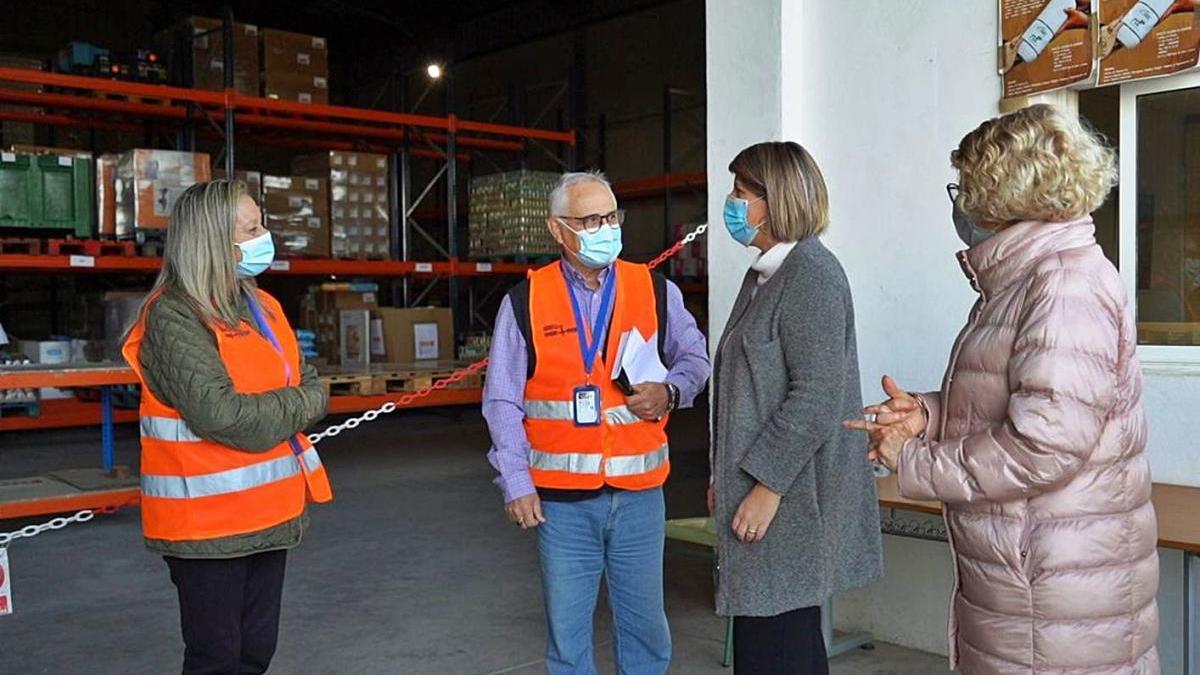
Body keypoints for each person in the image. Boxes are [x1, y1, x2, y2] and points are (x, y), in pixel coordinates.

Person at [846, 104, 1159, 674]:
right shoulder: (1026, 279)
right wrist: (928, 415)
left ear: (1001, 191)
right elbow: (1018, 404)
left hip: (1053, 594)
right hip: (1037, 582)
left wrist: (914, 460)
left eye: (963, 185)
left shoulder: (1064, 285)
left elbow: (1046, 446)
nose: (958, 201)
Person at [483, 170, 710, 674]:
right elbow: (502, 401)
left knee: (646, 629)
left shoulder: (652, 289)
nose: (604, 228)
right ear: (557, 230)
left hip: (638, 496)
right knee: (568, 637)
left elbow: (696, 358)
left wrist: (671, 391)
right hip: (560, 506)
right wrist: (515, 481)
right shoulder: (524, 300)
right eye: (589, 220)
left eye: (611, 217)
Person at [122, 180, 332, 675]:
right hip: (206, 528)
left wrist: (296, 400)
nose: (265, 235)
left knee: (255, 653)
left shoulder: (262, 305)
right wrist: (300, 402)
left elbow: (313, 384)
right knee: (216, 660)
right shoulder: (173, 317)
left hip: (271, 518)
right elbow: (222, 415)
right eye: (252, 227)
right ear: (214, 242)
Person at [711, 141, 883, 675]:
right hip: (762, 487)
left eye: (742, 193)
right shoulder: (765, 275)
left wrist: (765, 488)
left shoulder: (812, 274)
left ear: (775, 201)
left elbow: (815, 397)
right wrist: (724, 474)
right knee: (765, 640)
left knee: (782, 643)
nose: (732, 203)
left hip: (790, 497)